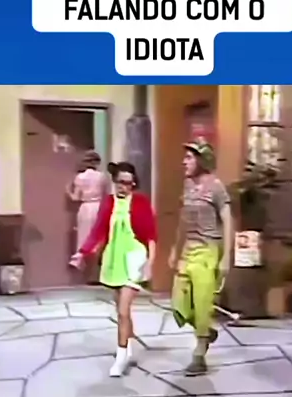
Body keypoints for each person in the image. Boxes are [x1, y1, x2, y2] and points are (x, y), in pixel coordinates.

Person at [70, 161, 157, 377]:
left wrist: (150, 263)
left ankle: (121, 356)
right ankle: (129, 346)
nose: (123, 186)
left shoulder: (141, 202)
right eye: (120, 182)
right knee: (122, 311)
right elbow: (98, 231)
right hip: (114, 259)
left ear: (134, 183)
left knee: (123, 311)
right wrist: (83, 252)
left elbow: (151, 235)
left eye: (128, 183)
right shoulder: (108, 203)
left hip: (135, 258)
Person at [168, 140, 233, 375]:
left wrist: (226, 258)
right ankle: (206, 331)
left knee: (203, 302)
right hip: (188, 250)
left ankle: (200, 354)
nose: (184, 162)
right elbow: (183, 220)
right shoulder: (187, 186)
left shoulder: (216, 187)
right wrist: (175, 249)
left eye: (189, 157)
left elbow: (228, 221)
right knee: (179, 305)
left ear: (201, 160)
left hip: (208, 251)